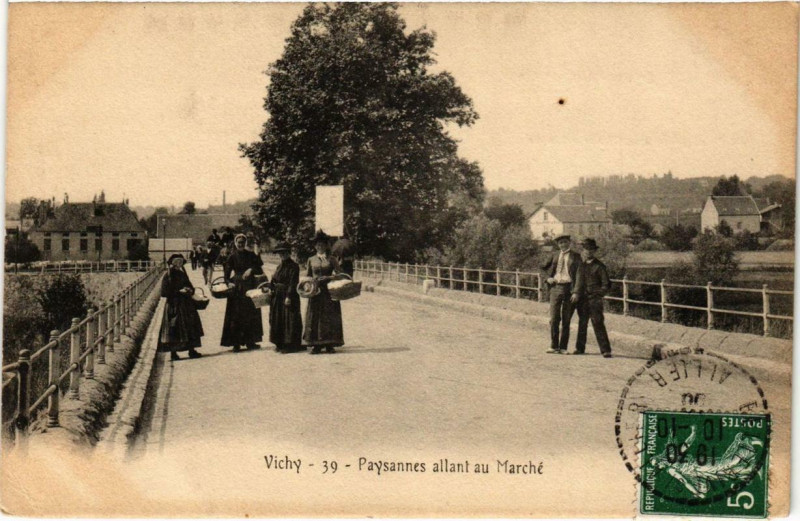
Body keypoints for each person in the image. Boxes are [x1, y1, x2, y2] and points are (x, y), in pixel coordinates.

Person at [221, 233, 265, 352]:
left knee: (251, 314)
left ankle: (250, 342)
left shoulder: (251, 255)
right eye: (239, 242)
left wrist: (251, 269)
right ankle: (236, 343)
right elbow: (226, 275)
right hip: (237, 289)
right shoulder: (232, 257)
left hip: (250, 286)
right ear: (236, 243)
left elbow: (259, 268)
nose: (241, 244)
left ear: (245, 243)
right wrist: (228, 283)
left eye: (243, 242)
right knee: (236, 315)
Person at [303, 230, 344, 354]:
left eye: (322, 245)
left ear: (326, 246)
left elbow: (340, 275)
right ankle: (315, 345)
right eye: (317, 245)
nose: (320, 247)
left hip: (328, 292)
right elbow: (307, 276)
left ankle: (329, 344)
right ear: (315, 246)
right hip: (315, 292)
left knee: (329, 317)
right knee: (314, 316)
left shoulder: (332, 259)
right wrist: (310, 283)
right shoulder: (311, 259)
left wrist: (329, 278)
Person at [540, 234, 582, 354]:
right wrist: (548, 278)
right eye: (560, 243)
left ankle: (563, 347)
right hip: (555, 288)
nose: (563, 245)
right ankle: (553, 346)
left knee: (566, 319)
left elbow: (579, 275)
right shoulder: (554, 255)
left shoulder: (576, 257)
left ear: (569, 242)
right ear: (558, 245)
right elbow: (542, 268)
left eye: (565, 242)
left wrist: (576, 292)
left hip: (569, 289)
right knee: (554, 318)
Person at [157, 253, 203, 361]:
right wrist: (178, 292)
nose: (179, 263)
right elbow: (164, 292)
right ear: (172, 262)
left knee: (191, 326)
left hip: (186, 304)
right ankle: (174, 353)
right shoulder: (168, 275)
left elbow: (190, 285)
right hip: (174, 304)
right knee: (175, 328)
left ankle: (191, 350)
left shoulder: (183, 273)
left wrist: (190, 290)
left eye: (181, 261)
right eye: (176, 261)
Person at [572, 238, 612, 358]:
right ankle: (580, 348)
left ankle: (605, 350)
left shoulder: (600, 266)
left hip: (594, 300)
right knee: (582, 323)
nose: (588, 252)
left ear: (594, 251)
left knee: (598, 323)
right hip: (583, 300)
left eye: (591, 249)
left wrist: (598, 294)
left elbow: (606, 284)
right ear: (583, 251)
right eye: (586, 249)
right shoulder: (581, 265)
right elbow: (578, 282)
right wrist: (576, 293)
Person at [268, 242, 303, 353]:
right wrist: (270, 287)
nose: (282, 255)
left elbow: (293, 283)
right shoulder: (279, 266)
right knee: (278, 318)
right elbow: (274, 279)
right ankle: (280, 343)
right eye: (280, 253)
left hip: (289, 295)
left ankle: (290, 345)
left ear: (289, 253)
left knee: (289, 319)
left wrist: (289, 296)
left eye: (284, 253)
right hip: (277, 295)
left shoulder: (294, 266)